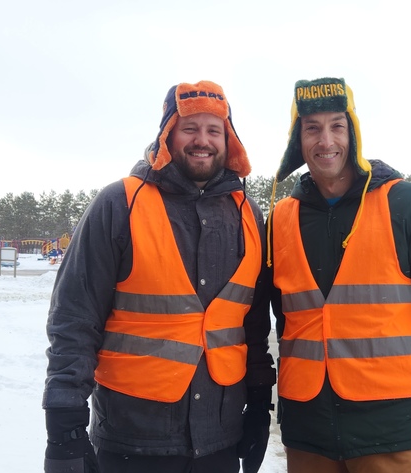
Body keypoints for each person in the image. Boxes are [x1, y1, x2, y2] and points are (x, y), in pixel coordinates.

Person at [42, 80, 276, 473]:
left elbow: (251, 324)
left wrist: (257, 403)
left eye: (213, 130)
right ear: (167, 134)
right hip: (133, 440)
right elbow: (75, 318)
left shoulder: (248, 214)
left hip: (219, 438)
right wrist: (64, 424)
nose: (202, 140)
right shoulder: (120, 204)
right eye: (189, 128)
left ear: (228, 139)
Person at [267, 77, 411, 472]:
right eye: (312, 128)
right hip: (308, 434)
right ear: (297, 140)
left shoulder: (409, 204)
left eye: (337, 125)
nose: (325, 141)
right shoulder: (281, 218)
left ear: (353, 132)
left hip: (392, 432)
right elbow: (285, 321)